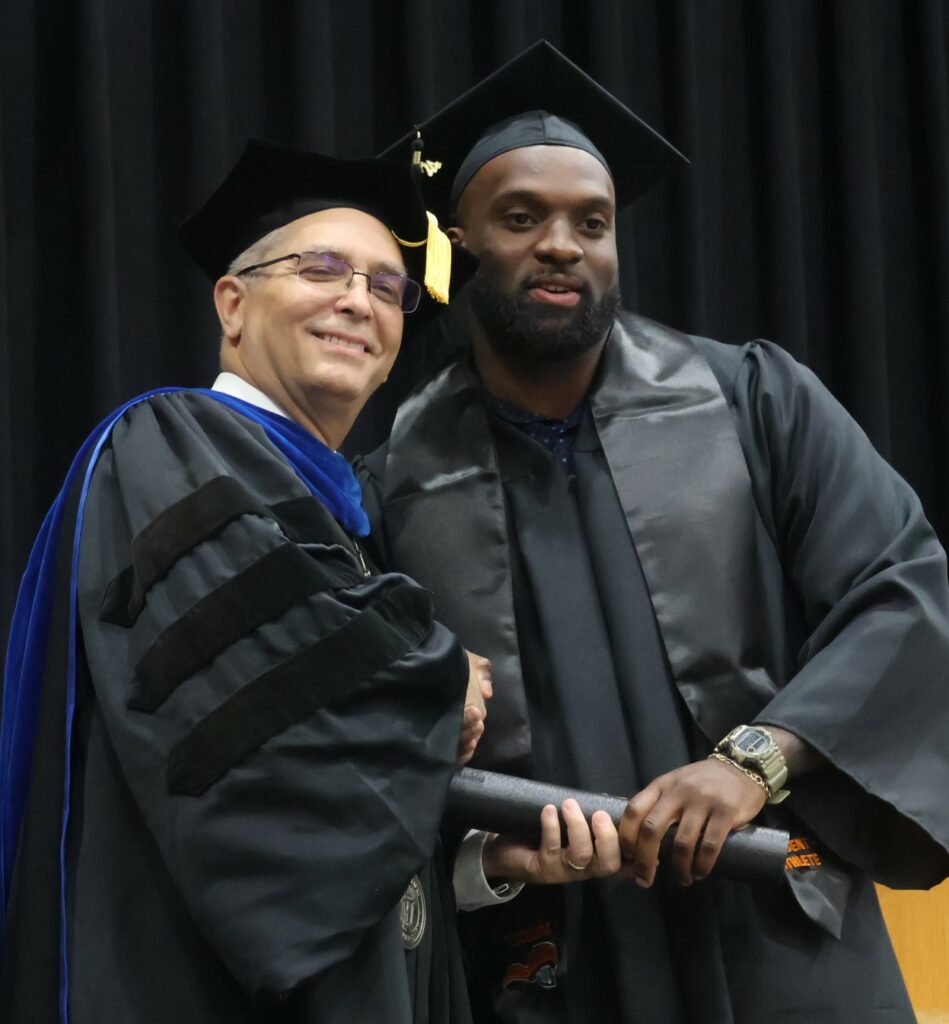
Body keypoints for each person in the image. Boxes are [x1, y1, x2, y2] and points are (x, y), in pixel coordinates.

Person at [358, 41, 949, 1023]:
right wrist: (490, 863)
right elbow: (379, 768)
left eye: (591, 222)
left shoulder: (753, 401)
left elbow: (906, 590)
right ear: (456, 243)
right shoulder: (393, 490)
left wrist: (752, 760)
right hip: (557, 967)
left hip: (783, 937)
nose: (562, 243)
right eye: (521, 217)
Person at [0, 139, 491, 1024]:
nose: (357, 301)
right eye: (322, 269)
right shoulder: (170, 443)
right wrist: (435, 680)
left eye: (387, 288)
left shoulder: (351, 518)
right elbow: (275, 708)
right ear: (233, 303)